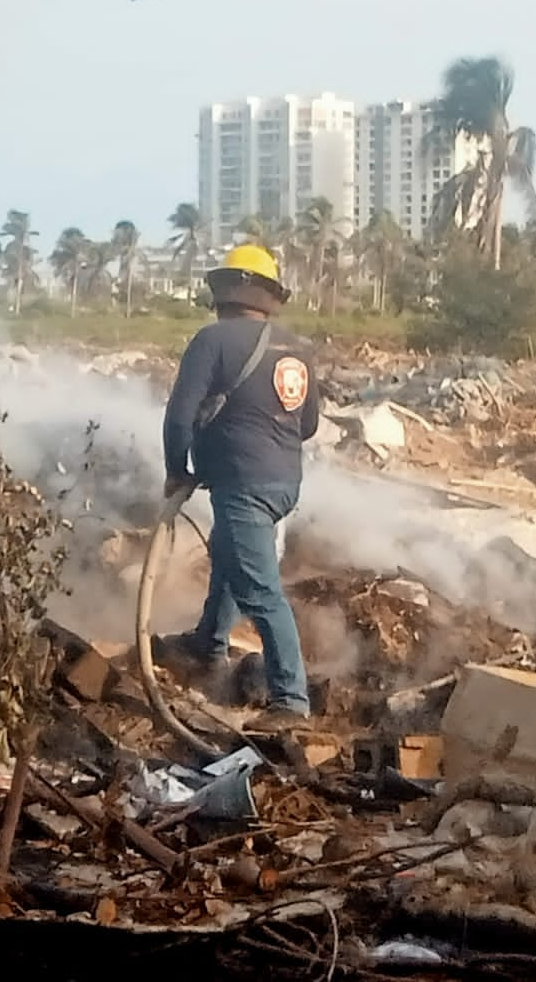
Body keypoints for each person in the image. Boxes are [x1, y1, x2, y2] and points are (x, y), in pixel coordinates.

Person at [159, 244, 319, 732]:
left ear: (224, 290)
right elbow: (307, 424)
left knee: (261, 590)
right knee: (229, 554)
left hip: (243, 485)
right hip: (283, 483)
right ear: (268, 295)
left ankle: (292, 701)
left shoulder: (212, 342)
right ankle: (208, 644)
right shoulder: (297, 349)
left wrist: (176, 468)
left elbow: (179, 416)